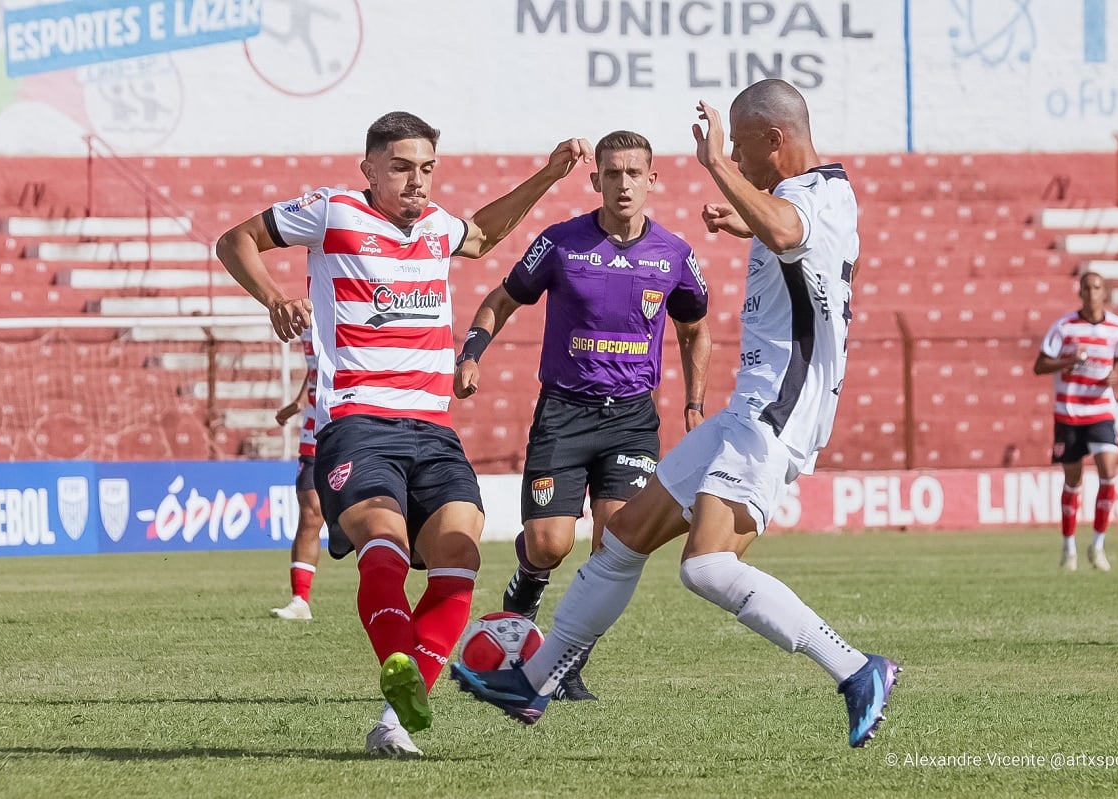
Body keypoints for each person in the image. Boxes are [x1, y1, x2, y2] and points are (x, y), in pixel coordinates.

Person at [451, 79, 900, 749]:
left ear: (774, 141)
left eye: (745, 151)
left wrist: (714, 162)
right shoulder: (829, 193)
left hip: (779, 407)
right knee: (622, 539)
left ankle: (858, 668)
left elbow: (786, 229)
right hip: (748, 404)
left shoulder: (801, 201)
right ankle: (532, 683)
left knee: (705, 566)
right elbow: (796, 237)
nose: (739, 163)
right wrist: (740, 215)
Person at [217, 111, 591, 758]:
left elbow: (481, 237)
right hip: (358, 422)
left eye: (426, 168)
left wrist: (548, 175)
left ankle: (395, 714)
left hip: (431, 428)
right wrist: (275, 295)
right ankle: (399, 666)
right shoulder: (331, 212)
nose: (416, 181)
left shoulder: (439, 227)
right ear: (369, 169)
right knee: (383, 543)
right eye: (401, 167)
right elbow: (235, 240)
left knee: (460, 556)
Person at [453, 130, 712, 701]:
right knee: (548, 544)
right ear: (595, 181)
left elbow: (695, 330)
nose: (623, 184)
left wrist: (695, 402)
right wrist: (472, 352)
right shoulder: (561, 244)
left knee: (616, 544)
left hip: (631, 420)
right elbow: (500, 299)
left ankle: (564, 664)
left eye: (633, 173)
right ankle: (525, 591)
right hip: (565, 413)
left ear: (652, 178)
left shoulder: (674, 255)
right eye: (612, 174)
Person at [1033, 272, 1118, 572]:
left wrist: (1117, 375)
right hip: (1070, 412)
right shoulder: (1064, 327)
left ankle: (1098, 545)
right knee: (1073, 480)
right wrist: (1068, 361)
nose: (1091, 292)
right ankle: (1068, 547)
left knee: (1108, 471)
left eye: (1096, 287)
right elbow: (1039, 365)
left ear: (1105, 292)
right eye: (1086, 287)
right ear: (1080, 293)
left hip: (1101, 410)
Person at [269, 326, 325, 620]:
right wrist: (300, 402)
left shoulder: (348, 308)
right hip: (313, 430)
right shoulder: (307, 321)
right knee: (311, 511)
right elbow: (317, 367)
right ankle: (300, 600)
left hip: (351, 424)